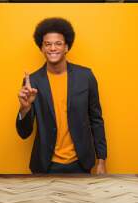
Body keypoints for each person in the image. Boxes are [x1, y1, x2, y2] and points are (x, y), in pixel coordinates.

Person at [16, 17, 107, 174]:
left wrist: (101, 161)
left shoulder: (86, 76)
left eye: (58, 43)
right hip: (45, 165)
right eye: (48, 44)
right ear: (41, 48)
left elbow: (96, 120)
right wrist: (25, 108)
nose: (53, 48)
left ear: (66, 47)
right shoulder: (32, 81)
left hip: (81, 163)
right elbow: (24, 134)